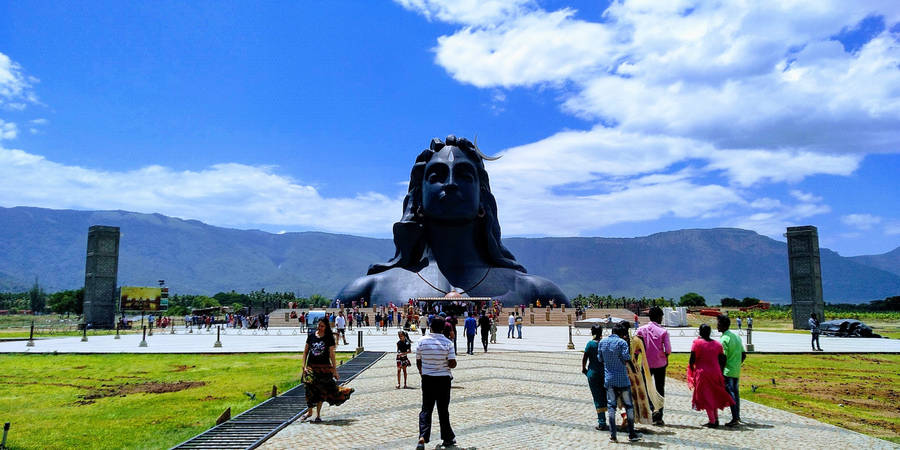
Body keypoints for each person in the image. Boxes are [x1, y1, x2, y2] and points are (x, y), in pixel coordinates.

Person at [336, 136, 569, 309]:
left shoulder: (533, 290)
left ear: (482, 198)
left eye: (464, 175)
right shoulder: (367, 289)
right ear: (418, 198)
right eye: (436, 176)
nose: (449, 183)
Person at [299, 318, 354, 423]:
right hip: (311, 367)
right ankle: (310, 411)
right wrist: (303, 366)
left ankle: (318, 415)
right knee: (309, 389)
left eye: (322, 326)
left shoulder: (328, 338)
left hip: (324, 368)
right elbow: (305, 352)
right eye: (319, 325)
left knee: (321, 391)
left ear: (326, 327)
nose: (320, 328)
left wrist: (335, 370)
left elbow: (332, 355)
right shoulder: (311, 336)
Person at [416, 317, 457, 449]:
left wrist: (423, 373)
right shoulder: (448, 343)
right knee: (443, 410)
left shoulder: (422, 341)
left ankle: (423, 436)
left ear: (430, 327)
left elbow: (418, 361)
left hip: (427, 378)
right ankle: (447, 438)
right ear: (443, 328)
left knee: (426, 409)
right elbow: (452, 363)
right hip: (443, 380)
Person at [599, 323, 640, 442]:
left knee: (611, 406)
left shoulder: (602, 342)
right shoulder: (622, 343)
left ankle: (613, 435)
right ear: (622, 334)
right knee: (629, 406)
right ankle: (631, 434)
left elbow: (600, 359)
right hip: (622, 379)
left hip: (609, 379)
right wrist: (633, 369)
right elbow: (626, 358)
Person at [687, 324, 734, 428]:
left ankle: (712, 420)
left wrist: (691, 369)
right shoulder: (717, 344)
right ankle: (715, 419)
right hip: (716, 372)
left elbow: (692, 359)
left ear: (700, 332)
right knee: (713, 395)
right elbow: (723, 359)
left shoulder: (697, 343)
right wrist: (720, 370)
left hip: (703, 373)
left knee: (706, 396)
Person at [635, 306, 671, 425]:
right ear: (658, 317)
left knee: (646, 387)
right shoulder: (663, 331)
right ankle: (659, 415)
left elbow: (636, 349)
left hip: (646, 364)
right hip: (660, 363)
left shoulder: (641, 330)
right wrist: (665, 357)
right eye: (661, 316)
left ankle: (650, 409)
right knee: (660, 388)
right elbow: (668, 350)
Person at [718, 315, 746, 427]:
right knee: (736, 393)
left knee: (731, 395)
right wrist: (737, 364)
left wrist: (720, 371)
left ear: (724, 325)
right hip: (736, 370)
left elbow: (723, 357)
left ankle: (735, 418)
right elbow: (743, 354)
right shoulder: (736, 336)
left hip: (727, 371)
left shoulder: (724, 339)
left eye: (719, 323)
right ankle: (737, 416)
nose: (717, 326)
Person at [582, 324, 607, 431]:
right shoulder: (605, 343)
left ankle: (602, 422)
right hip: (605, 372)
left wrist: (584, 369)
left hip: (593, 373)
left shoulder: (590, 344)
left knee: (597, 397)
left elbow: (585, 357)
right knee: (608, 395)